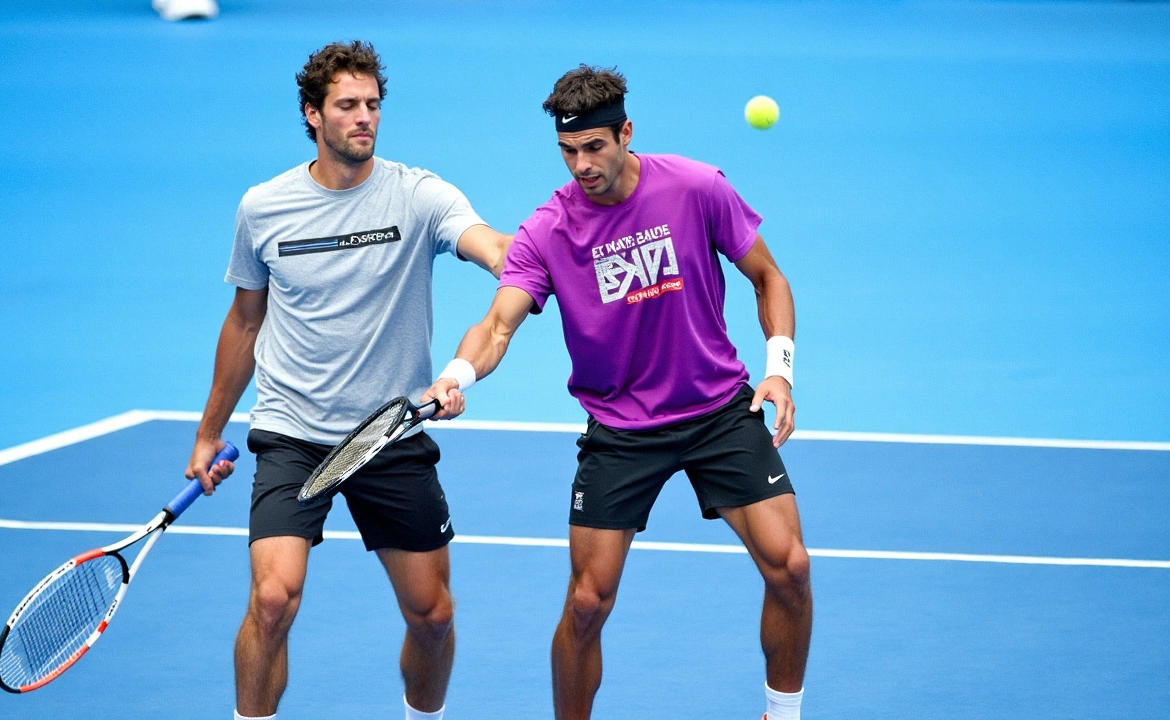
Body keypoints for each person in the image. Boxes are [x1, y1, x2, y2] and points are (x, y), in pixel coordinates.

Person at [422, 65, 812, 720]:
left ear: (625, 133)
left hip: (718, 410)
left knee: (791, 567)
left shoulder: (696, 187)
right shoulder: (548, 229)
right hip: (623, 432)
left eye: (594, 147)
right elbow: (497, 325)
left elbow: (768, 276)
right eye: (568, 151)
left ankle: (784, 713)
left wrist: (779, 368)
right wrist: (456, 376)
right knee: (586, 604)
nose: (581, 165)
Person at [184, 40, 510, 720]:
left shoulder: (419, 195)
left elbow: (495, 249)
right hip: (292, 432)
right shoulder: (264, 207)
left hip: (388, 432)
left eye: (372, 105)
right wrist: (208, 432)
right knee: (272, 600)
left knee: (432, 615)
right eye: (347, 106)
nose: (364, 118)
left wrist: (535, 260)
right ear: (313, 115)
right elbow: (245, 323)